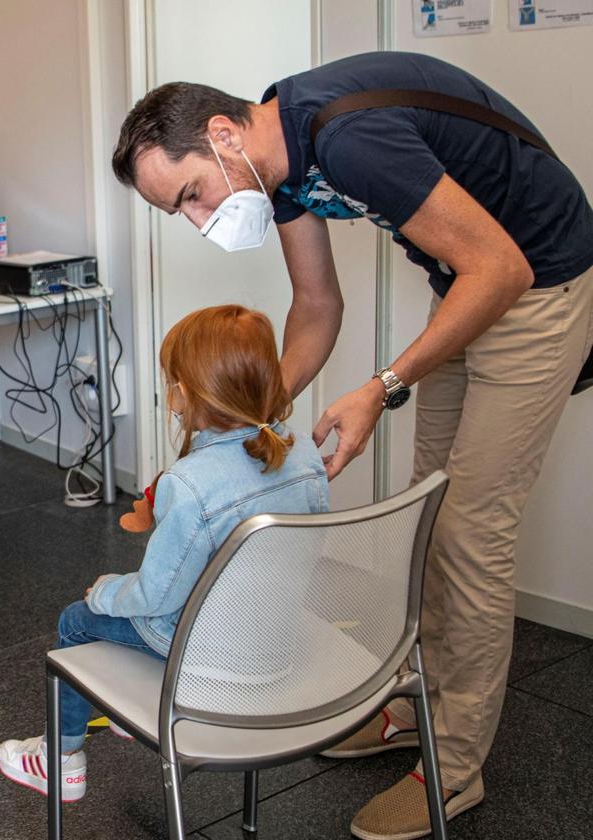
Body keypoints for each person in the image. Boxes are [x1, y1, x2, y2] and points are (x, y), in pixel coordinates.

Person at [111, 51, 593, 839]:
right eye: (180, 214)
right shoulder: (279, 167)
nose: (199, 220)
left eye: (192, 195)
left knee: (472, 533)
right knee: (430, 515)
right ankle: (413, 711)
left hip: (533, 284)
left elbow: (501, 268)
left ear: (224, 133)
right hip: (466, 282)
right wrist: (250, 422)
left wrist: (383, 386)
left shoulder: (348, 140)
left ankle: (453, 768)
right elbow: (317, 304)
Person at [0, 305, 329, 801]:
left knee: (78, 617)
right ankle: (127, 718)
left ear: (186, 395)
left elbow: (156, 594)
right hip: (278, 646)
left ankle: (60, 758)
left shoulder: (188, 483)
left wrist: (105, 592)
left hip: (211, 664)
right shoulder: (303, 453)